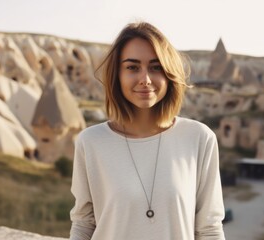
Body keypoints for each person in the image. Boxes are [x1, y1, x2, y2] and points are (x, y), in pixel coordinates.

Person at [69, 22, 225, 240]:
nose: (145, 79)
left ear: (169, 74)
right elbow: (84, 224)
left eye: (155, 67)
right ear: (117, 75)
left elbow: (209, 229)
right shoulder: (91, 142)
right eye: (132, 67)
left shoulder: (199, 138)